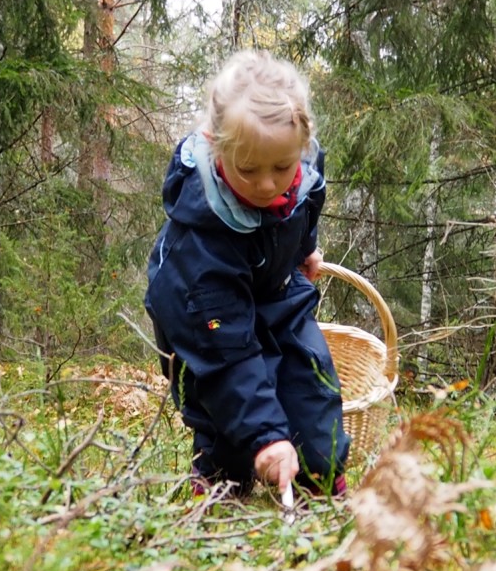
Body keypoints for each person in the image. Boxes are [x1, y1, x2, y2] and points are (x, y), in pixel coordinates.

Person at [145, 50, 350, 500]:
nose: (266, 184)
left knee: (310, 384)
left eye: (281, 167)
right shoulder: (201, 241)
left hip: (273, 290)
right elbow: (229, 358)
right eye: (248, 169)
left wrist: (304, 248)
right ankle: (221, 480)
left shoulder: (301, 175)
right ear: (215, 145)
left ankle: (317, 472)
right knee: (227, 418)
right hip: (203, 316)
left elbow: (306, 200)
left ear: (301, 147)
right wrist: (266, 436)